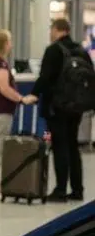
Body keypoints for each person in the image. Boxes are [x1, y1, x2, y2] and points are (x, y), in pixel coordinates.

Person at [33, 18, 88, 203]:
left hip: (57, 107)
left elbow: (45, 77)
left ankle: (60, 190)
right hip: (77, 107)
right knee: (73, 146)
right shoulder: (81, 50)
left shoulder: (54, 50)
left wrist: (34, 94)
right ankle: (78, 189)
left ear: (57, 30)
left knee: (60, 146)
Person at [0, 30, 37, 197]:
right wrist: (22, 99)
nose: (11, 45)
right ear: (4, 44)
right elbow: (4, 88)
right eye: (9, 41)